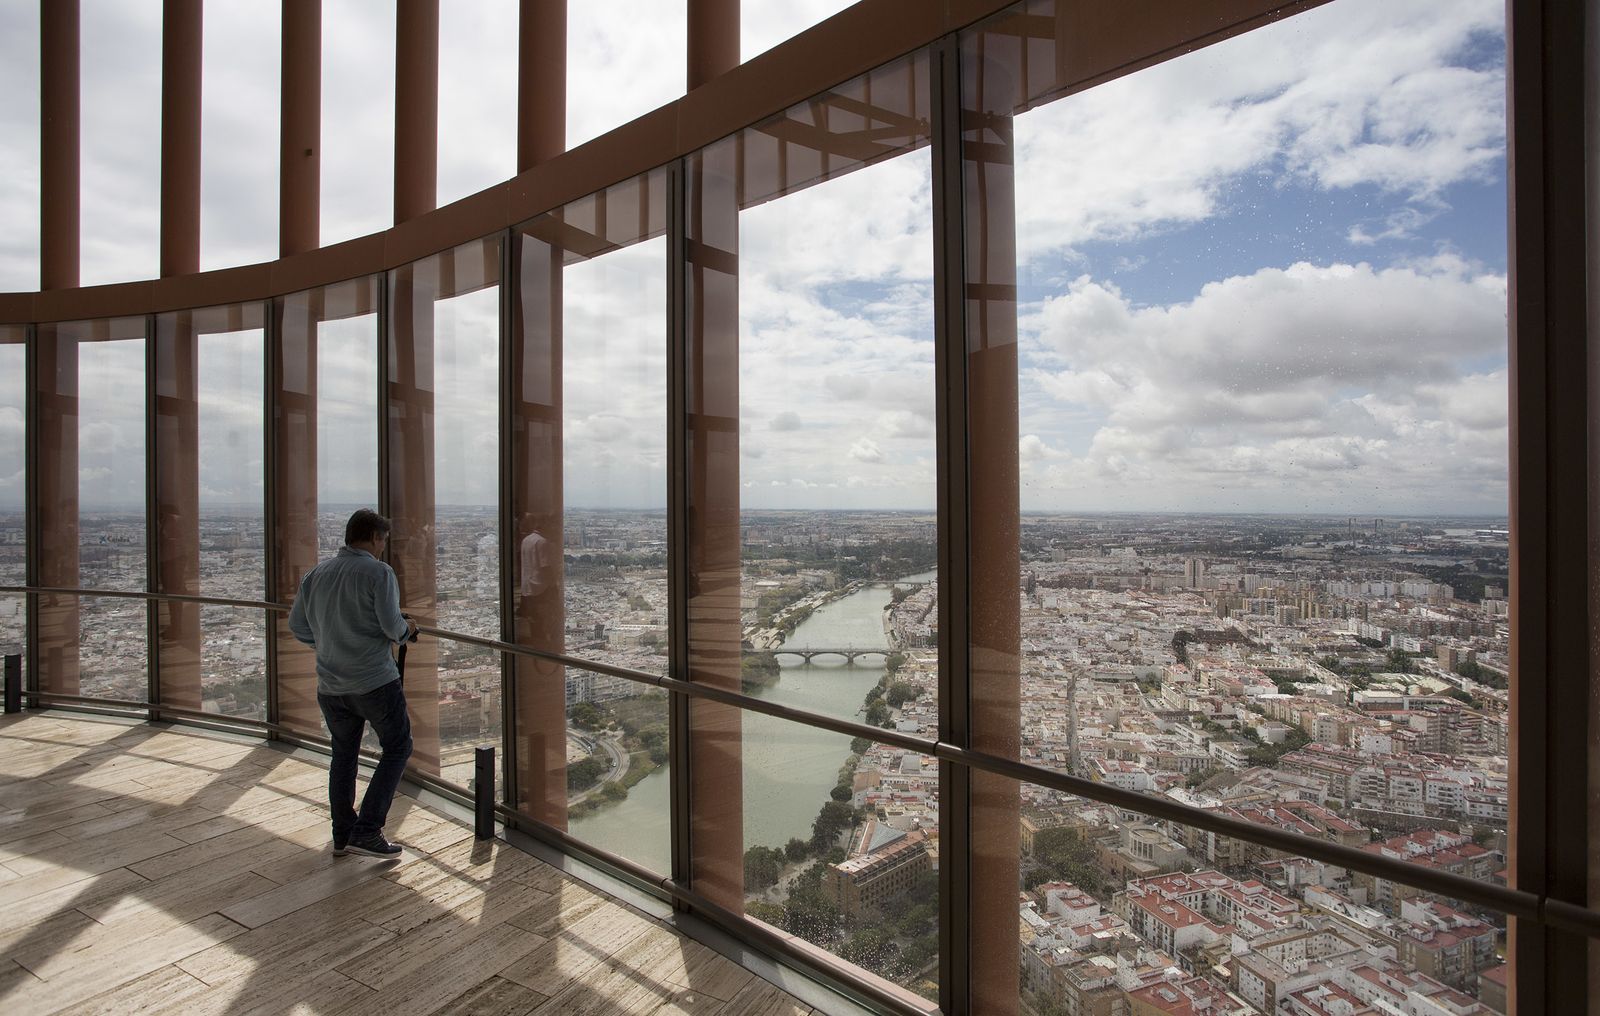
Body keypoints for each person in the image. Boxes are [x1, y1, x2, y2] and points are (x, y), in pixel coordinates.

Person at [287, 508, 418, 858]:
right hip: (374, 680)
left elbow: (298, 627)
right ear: (375, 537)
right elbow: (393, 628)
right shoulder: (378, 572)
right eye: (383, 541)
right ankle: (368, 829)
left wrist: (332, 644)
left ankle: (342, 834)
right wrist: (409, 630)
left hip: (330, 684)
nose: (383, 547)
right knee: (397, 748)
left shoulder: (316, 574)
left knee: (343, 755)